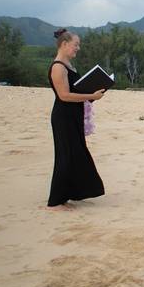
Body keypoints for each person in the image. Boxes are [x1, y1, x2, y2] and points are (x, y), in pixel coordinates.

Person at [47, 28, 106, 210]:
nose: (78, 48)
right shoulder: (58, 67)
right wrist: (91, 95)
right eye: (75, 45)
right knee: (65, 155)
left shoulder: (68, 65)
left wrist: (92, 91)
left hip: (74, 115)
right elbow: (64, 95)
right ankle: (56, 201)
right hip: (63, 116)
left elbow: (75, 89)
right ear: (64, 45)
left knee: (76, 154)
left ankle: (72, 193)